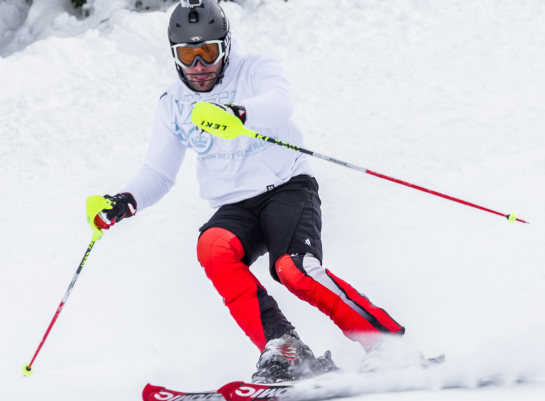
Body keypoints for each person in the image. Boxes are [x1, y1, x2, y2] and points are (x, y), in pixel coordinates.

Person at [87, 0, 416, 383]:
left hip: (287, 187)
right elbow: (159, 173)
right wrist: (125, 202)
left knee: (292, 269)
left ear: (225, 47)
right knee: (212, 246)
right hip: (235, 204)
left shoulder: (255, 69)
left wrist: (238, 114)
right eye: (188, 55)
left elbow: (281, 103)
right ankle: (284, 347)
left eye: (207, 52)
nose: (198, 66)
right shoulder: (172, 104)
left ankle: (388, 345)